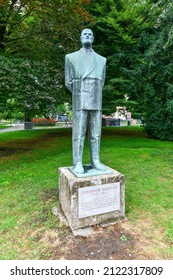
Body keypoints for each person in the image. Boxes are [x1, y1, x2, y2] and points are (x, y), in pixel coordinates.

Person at [65, 28, 106, 174]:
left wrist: (92, 91)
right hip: (80, 99)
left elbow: (102, 82)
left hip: (96, 98)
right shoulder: (71, 57)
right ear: (81, 38)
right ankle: (77, 162)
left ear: (93, 38)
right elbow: (68, 82)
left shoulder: (102, 60)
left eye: (90, 34)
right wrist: (80, 93)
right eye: (84, 34)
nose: (87, 36)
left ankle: (96, 161)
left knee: (95, 133)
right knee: (79, 133)